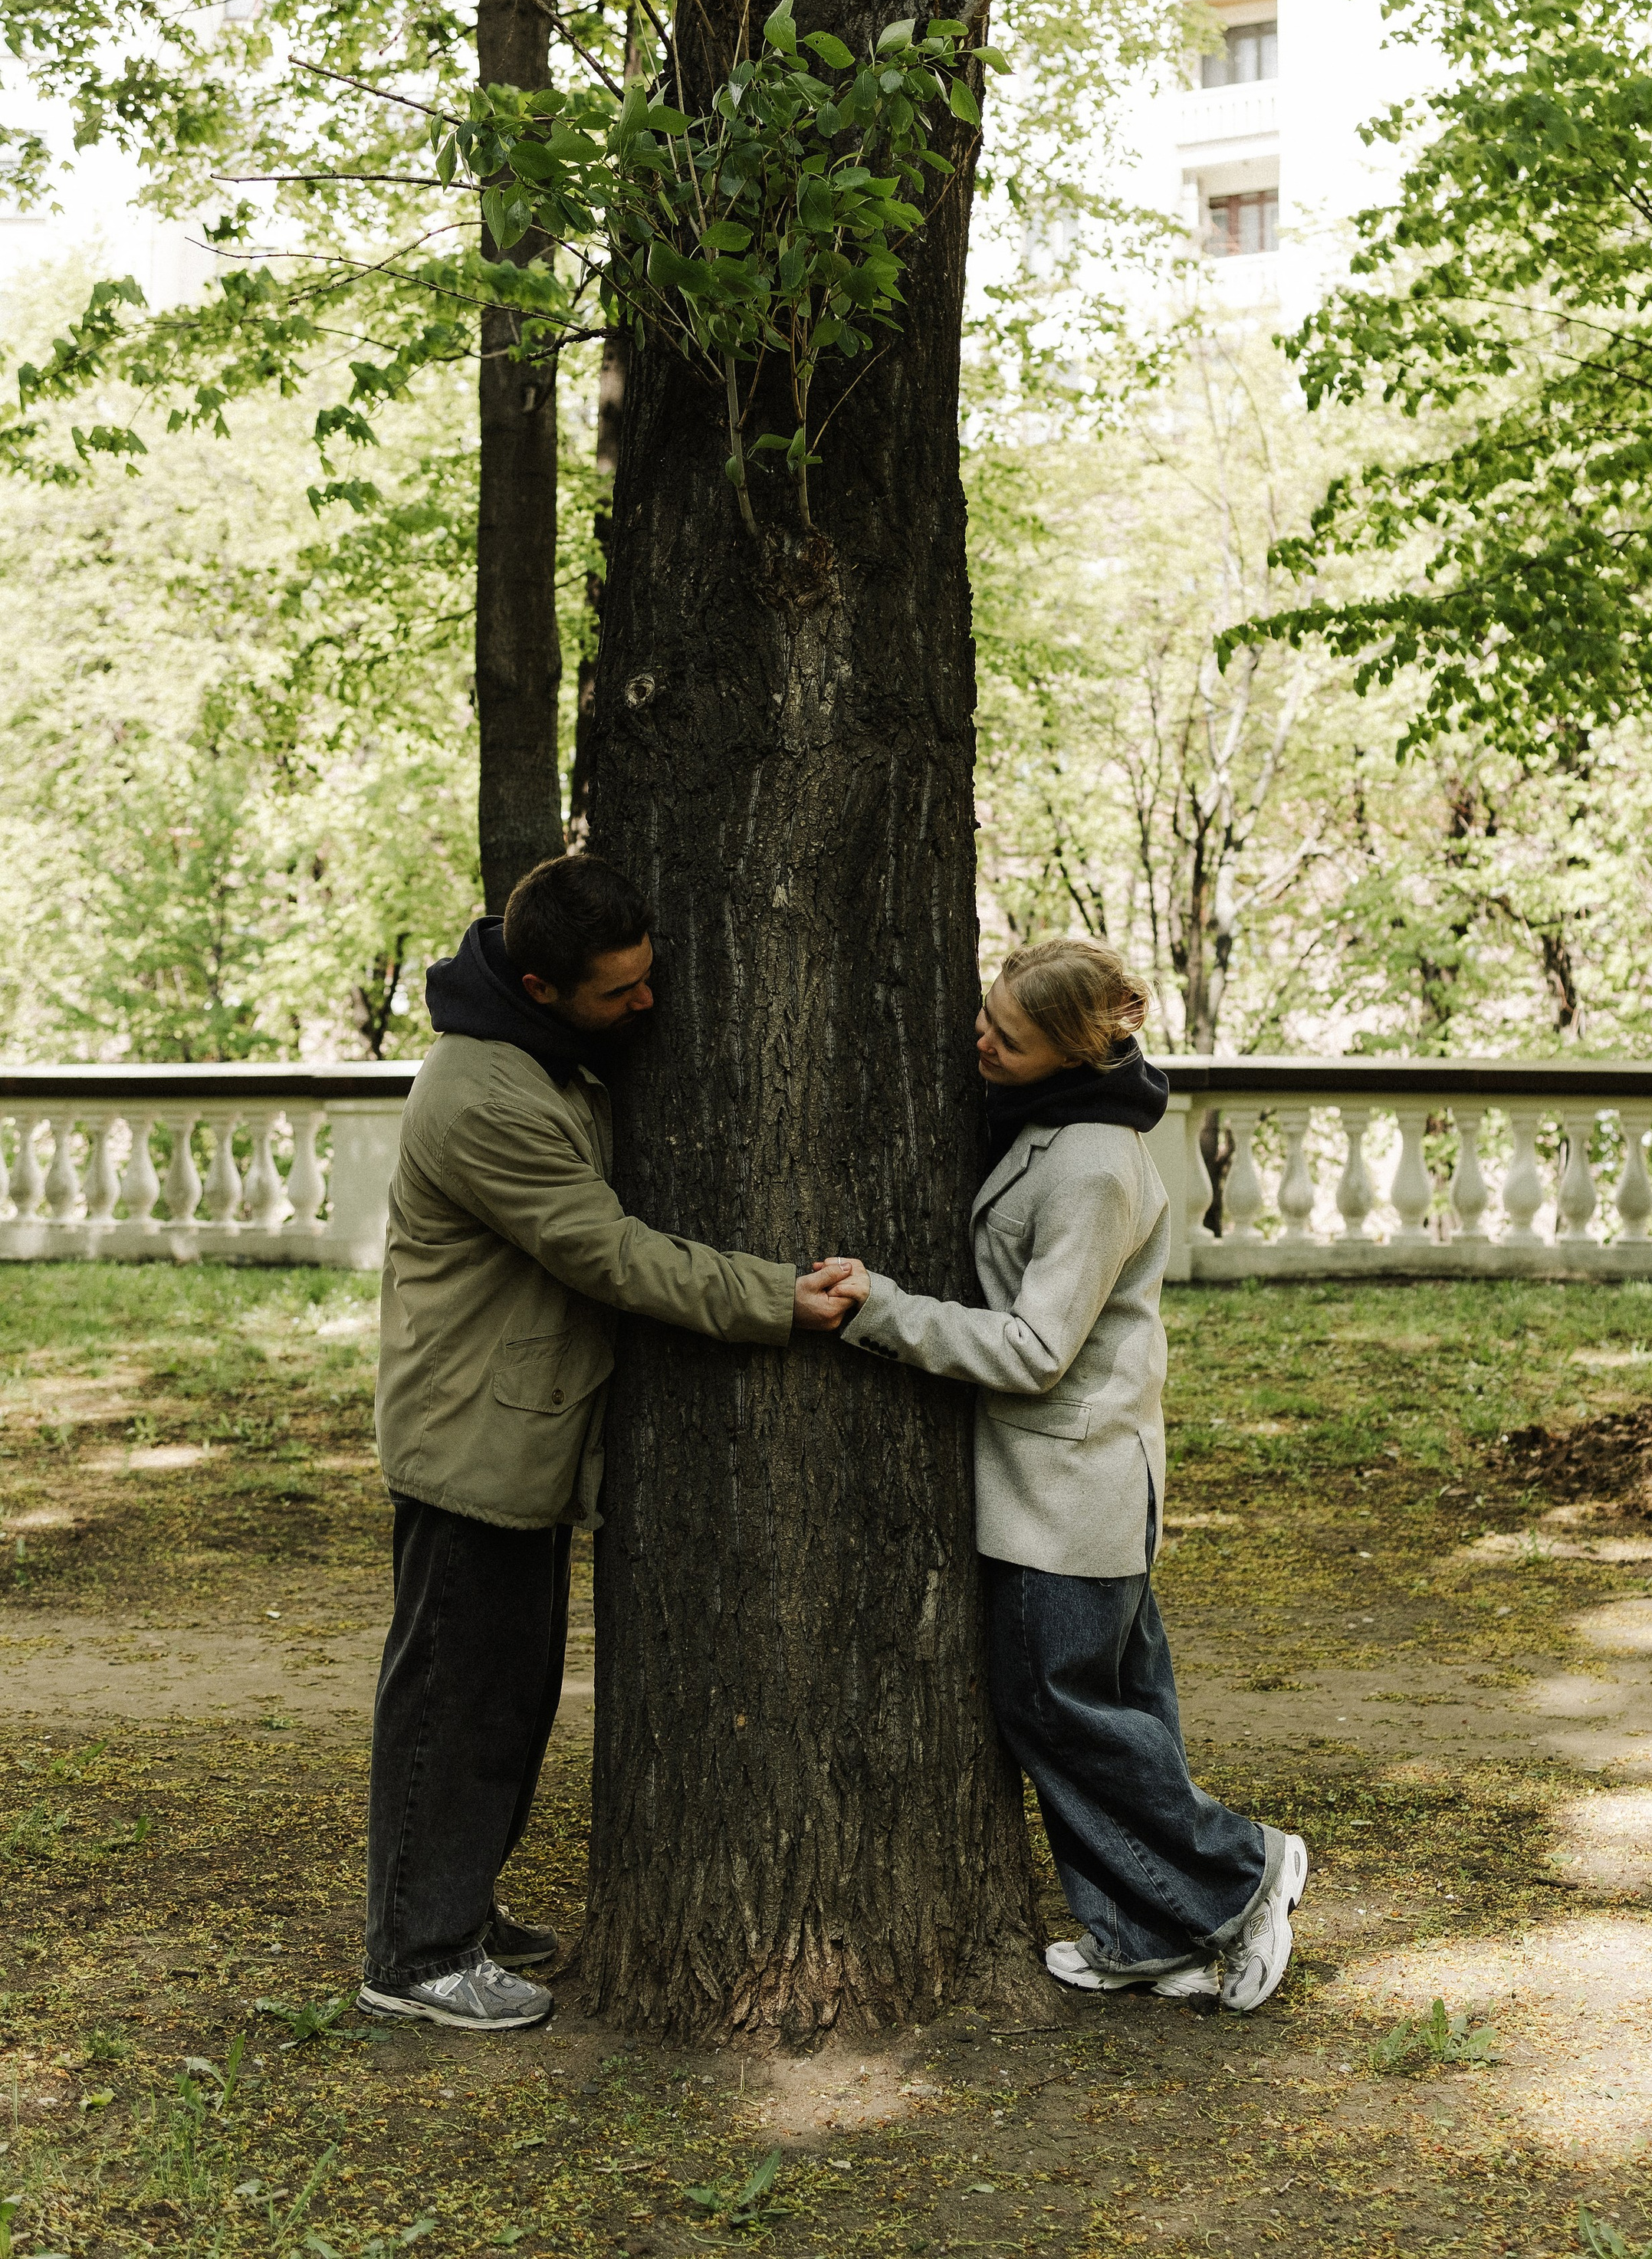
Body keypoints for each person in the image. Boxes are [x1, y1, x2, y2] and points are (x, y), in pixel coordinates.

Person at [360, 852, 859, 2034]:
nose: (647, 1007)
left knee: (510, 1697)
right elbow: (609, 1252)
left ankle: (452, 1909)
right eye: (618, 993)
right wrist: (770, 1297)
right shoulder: (486, 1095)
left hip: (514, 1435)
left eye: (648, 979)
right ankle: (415, 1956)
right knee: (453, 1701)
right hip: (472, 1440)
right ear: (539, 985)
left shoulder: (541, 1053)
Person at [826, 938, 1309, 2014]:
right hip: (1076, 1477)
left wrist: (885, 1312)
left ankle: (1243, 1873)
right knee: (1117, 1706)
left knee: (1055, 1710)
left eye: (1009, 1033)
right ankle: (1144, 1935)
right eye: (988, 1015)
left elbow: (1038, 1352)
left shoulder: (1093, 1161)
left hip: (1069, 1484)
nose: (981, 1042)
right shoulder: (1059, 1120)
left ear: (1077, 1050)